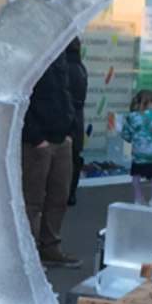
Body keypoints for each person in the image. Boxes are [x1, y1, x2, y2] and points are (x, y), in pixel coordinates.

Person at [22, 49, 81, 269]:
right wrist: (35, 137)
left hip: (61, 136)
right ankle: (28, 252)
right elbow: (22, 97)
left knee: (59, 196)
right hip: (38, 141)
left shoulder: (59, 55)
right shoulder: (30, 55)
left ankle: (50, 246)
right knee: (32, 199)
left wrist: (69, 131)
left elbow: (66, 93)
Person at [64, 37, 87, 206]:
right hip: (76, 116)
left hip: (69, 117)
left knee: (68, 157)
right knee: (73, 156)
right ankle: (70, 192)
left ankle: (68, 193)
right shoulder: (79, 67)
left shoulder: (68, 67)